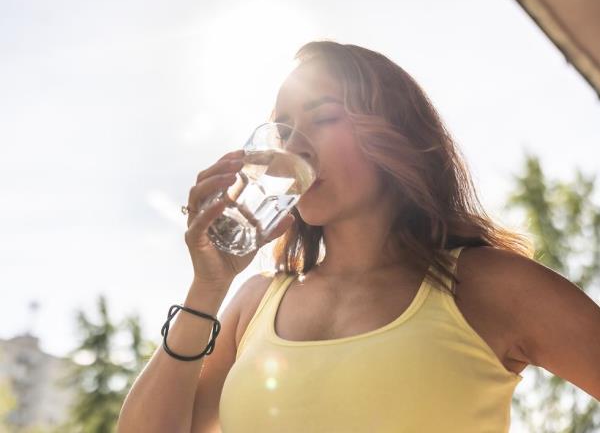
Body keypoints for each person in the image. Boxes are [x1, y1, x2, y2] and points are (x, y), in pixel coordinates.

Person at [117, 41, 600, 433]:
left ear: (397, 135)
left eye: (323, 118)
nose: (295, 145)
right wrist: (208, 286)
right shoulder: (255, 302)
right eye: (283, 130)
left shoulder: (490, 287)